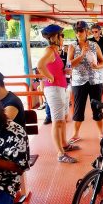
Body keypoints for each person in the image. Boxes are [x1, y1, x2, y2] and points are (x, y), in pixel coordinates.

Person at [37, 24, 78, 163]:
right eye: (62, 36)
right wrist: (50, 77)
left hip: (61, 88)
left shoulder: (55, 52)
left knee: (63, 119)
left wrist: (62, 72)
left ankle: (64, 144)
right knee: (57, 121)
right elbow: (40, 65)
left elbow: (52, 67)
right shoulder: (49, 51)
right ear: (55, 37)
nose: (63, 38)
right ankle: (60, 154)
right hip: (54, 89)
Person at [68, 21, 103, 142]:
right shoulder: (72, 46)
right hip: (79, 82)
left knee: (97, 107)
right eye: (77, 31)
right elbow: (70, 64)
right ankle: (75, 133)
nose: (79, 33)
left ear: (86, 31)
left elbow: (102, 62)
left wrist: (97, 67)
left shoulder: (94, 45)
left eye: (81, 30)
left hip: (95, 80)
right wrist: (82, 54)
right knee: (78, 108)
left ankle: (101, 132)